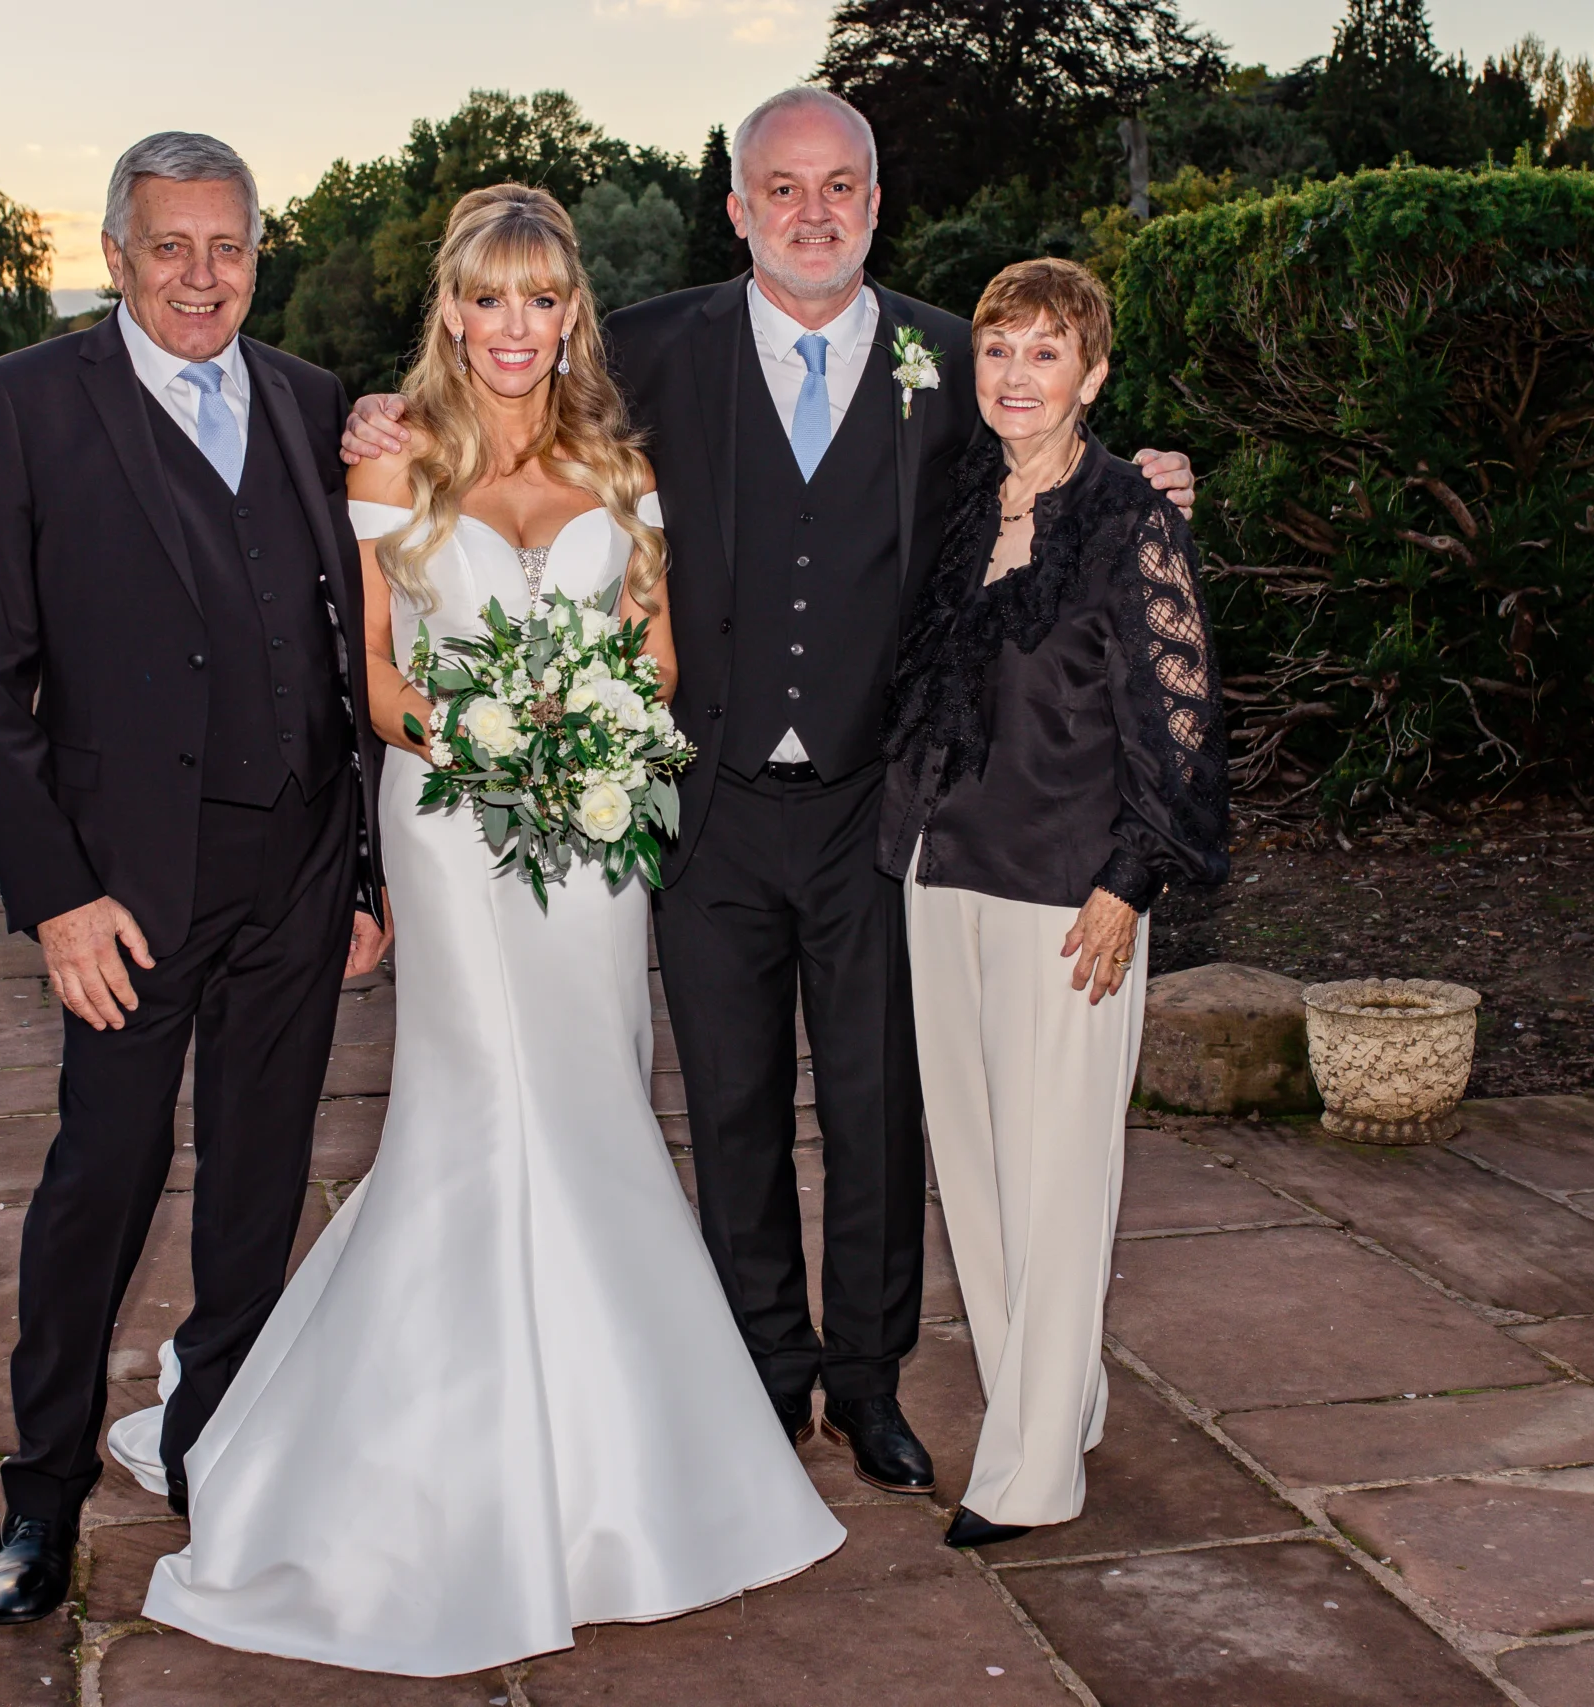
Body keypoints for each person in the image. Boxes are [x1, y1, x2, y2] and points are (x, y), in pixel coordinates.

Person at [345, 87, 1198, 1499]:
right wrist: (379, 409)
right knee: (730, 1105)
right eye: (782, 188)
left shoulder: (951, 358)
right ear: (737, 208)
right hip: (706, 804)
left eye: (839, 186)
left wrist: (1144, 478)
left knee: (877, 1108)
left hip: (883, 808)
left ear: (876, 203)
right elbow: (505, 404)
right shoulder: (650, 349)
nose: (813, 212)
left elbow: (1050, 454)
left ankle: (867, 1379)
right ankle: (760, 1369)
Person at [124, 183, 844, 1678]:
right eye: (487, 298)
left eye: (542, 299)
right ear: (451, 310)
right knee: (479, 1111)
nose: (514, 327)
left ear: (572, 316)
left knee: (594, 1107)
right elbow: (376, 677)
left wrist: (587, 736)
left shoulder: (619, 466)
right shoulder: (394, 457)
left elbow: (656, 662)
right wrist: (480, 736)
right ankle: (431, 1470)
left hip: (592, 837)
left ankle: (624, 1467)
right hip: (454, 828)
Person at [0, 131, 389, 1625]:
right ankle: (43, 1488)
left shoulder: (314, 402)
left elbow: (349, 648)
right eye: (171, 246)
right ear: (117, 255)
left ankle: (217, 1444)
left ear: (260, 254)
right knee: (103, 1181)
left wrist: (366, 871)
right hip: (126, 891)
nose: (202, 276)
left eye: (229, 246)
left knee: (260, 1183)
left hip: (301, 865)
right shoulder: (22, 402)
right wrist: (56, 896)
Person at [880, 257, 1229, 1550]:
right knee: (977, 1176)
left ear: (1093, 374)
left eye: (1045, 352)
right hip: (941, 871)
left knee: (1059, 1176)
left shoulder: (1134, 519)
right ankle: (1056, 1402)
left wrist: (1130, 884)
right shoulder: (965, 502)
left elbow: (1182, 725)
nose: (1016, 375)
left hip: (1068, 895)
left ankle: (1031, 1473)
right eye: (997, 349)